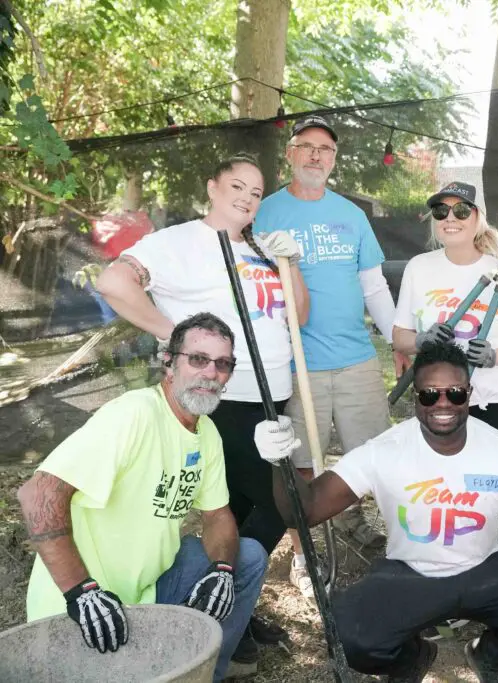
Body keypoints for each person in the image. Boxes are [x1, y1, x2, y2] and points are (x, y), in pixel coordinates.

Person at [256, 342, 498, 683]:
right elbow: (303, 512)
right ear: (415, 399)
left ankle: (490, 655)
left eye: (455, 393)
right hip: (410, 572)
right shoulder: (385, 450)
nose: (442, 404)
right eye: (429, 394)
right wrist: (278, 461)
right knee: (350, 637)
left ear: (469, 395)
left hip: (485, 568)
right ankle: (413, 658)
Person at [95, 153, 301, 657]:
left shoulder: (257, 245)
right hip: (226, 394)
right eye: (237, 185)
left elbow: (300, 313)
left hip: (274, 392)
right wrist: (179, 338)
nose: (248, 198)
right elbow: (113, 282)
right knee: (281, 503)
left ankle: (230, 602)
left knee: (240, 507)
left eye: (256, 193)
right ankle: (223, 601)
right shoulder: (177, 241)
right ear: (211, 187)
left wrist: (288, 264)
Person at [18, 314, 269, 681]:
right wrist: (81, 592)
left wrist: (223, 571)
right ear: (168, 362)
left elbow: (217, 515)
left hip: (148, 589)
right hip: (82, 605)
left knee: (247, 558)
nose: (210, 373)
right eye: (197, 359)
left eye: (223, 364)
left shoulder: (207, 433)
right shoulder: (134, 414)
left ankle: (202, 674)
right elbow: (37, 493)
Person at [253, 115, 402, 596]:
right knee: (297, 465)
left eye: (326, 149)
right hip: (295, 365)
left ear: (334, 161)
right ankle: (302, 550)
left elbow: (373, 285)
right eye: (307, 146)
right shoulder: (265, 212)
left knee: (372, 454)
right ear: (292, 154)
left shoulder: (352, 215)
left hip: (356, 358)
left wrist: (397, 338)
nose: (317, 155)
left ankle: (355, 520)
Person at [393, 180, 498, 559]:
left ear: (478, 217)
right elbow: (400, 336)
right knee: (449, 489)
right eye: (441, 211)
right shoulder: (419, 268)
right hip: (441, 403)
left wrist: (497, 356)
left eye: (462, 211)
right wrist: (422, 340)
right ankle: (458, 564)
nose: (451, 218)